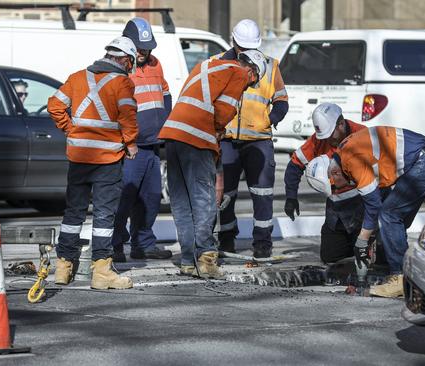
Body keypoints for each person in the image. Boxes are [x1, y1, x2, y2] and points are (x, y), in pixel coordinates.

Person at [158, 49, 266, 278]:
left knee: (182, 203)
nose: (247, 87)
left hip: (173, 136)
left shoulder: (206, 66)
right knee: (203, 200)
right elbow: (224, 110)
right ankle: (206, 259)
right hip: (197, 138)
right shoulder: (238, 73)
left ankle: (188, 261)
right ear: (251, 70)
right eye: (252, 83)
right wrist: (218, 131)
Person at [306, 126, 425, 297]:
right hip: (424, 158)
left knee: (389, 215)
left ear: (334, 172)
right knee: (395, 219)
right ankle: (405, 272)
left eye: (333, 185)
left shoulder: (352, 160)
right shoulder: (344, 153)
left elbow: (373, 205)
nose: (336, 189)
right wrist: (369, 235)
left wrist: (362, 240)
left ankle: (399, 278)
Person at [47, 36, 139, 289]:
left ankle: (63, 267)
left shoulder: (78, 77)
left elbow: (54, 105)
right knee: (104, 216)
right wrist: (130, 143)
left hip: (79, 157)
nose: (130, 67)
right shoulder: (122, 83)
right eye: (130, 62)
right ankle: (101, 271)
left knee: (73, 213)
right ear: (124, 59)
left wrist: (70, 130)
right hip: (107, 158)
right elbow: (128, 116)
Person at [214, 19, 289, 258]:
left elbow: (281, 100)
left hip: (258, 139)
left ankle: (262, 243)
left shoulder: (270, 65)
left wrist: (271, 118)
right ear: (233, 41)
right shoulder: (218, 63)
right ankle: (226, 240)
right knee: (225, 194)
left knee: (263, 193)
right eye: (242, 47)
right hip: (226, 139)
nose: (246, 51)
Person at [111, 17, 173, 262]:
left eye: (147, 48)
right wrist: (126, 140)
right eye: (139, 48)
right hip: (131, 148)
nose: (144, 52)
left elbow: (165, 91)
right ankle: (115, 245)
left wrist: (166, 119)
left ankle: (143, 244)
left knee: (150, 198)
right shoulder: (120, 67)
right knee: (124, 199)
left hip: (153, 145)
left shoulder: (156, 64)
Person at [283, 103, 368, 264]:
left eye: (331, 134)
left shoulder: (363, 136)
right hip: (336, 211)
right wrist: (291, 197)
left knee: (368, 256)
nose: (329, 140)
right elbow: (295, 165)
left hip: (364, 207)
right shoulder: (319, 140)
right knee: (331, 258)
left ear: (341, 124)